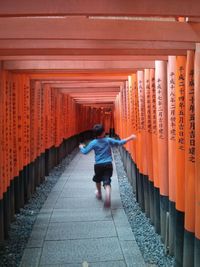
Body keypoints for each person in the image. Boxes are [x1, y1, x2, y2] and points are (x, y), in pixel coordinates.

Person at [79, 124, 136, 208]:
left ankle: (99, 193)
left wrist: (81, 147)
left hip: (98, 165)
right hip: (108, 164)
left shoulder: (93, 143)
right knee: (107, 181)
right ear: (103, 132)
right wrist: (130, 137)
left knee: (97, 180)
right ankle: (108, 194)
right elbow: (120, 143)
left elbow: (85, 152)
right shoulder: (108, 140)